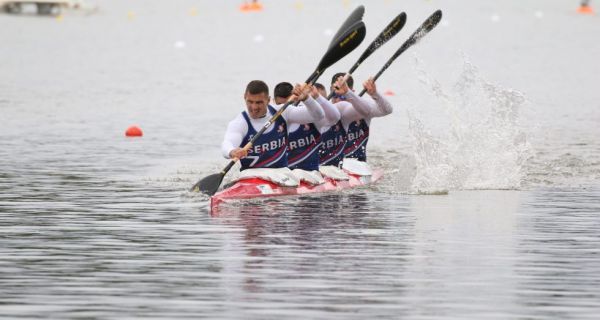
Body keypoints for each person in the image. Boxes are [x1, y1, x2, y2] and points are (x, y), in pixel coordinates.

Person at [221, 80, 324, 173]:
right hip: (251, 177)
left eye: (259, 102)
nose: (254, 107)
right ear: (244, 97)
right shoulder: (240, 122)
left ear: (268, 100)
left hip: (281, 175)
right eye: (250, 102)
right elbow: (227, 143)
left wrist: (307, 99)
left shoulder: (282, 112)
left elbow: (319, 116)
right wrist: (232, 152)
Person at [330, 72, 393, 164]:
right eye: (335, 96)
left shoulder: (363, 110)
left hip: (358, 167)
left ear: (352, 92)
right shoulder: (323, 113)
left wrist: (375, 94)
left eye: (342, 96)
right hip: (331, 169)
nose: (338, 101)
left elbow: (387, 110)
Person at [285, 83, 340, 183]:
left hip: (313, 174)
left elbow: (335, 117)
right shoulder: (295, 115)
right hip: (290, 175)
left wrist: (316, 97)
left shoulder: (319, 118)